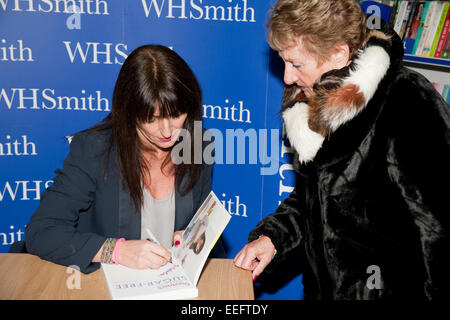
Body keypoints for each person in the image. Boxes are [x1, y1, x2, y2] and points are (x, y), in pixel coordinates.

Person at [234, 0, 449, 300]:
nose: (286, 77)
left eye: (296, 64)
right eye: (283, 61)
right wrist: (274, 238)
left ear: (338, 54)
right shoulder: (311, 103)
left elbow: (439, 231)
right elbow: (318, 200)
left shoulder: (408, 102)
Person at [25, 45, 219, 274]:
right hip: (103, 287)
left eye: (176, 115)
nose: (167, 131)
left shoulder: (198, 144)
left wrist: (190, 238)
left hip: (169, 284)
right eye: (151, 118)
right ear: (129, 112)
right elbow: (42, 231)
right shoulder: (94, 150)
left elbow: (198, 223)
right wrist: (116, 251)